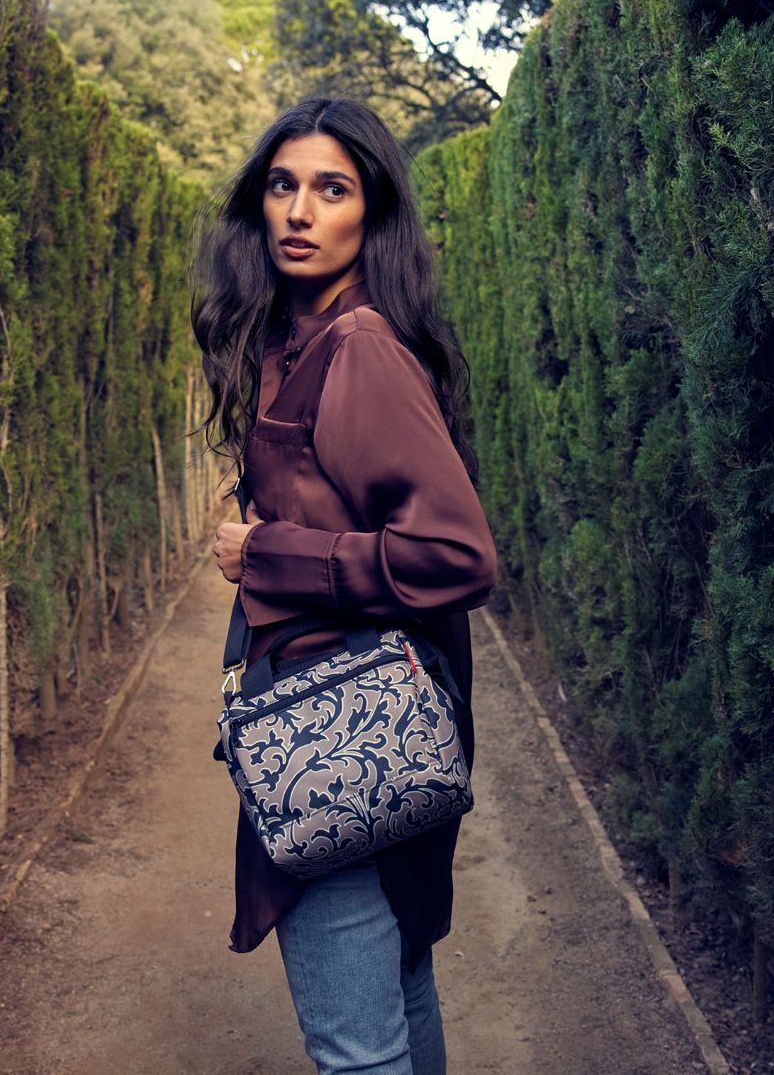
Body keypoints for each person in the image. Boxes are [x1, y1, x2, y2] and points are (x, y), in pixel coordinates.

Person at [190, 96, 498, 1075]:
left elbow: (455, 554)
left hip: (338, 741)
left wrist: (268, 555)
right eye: (283, 185)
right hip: (365, 724)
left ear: (373, 212)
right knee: (399, 998)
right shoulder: (300, 338)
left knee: (357, 1053)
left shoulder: (357, 346)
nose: (299, 211)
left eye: (332, 189)